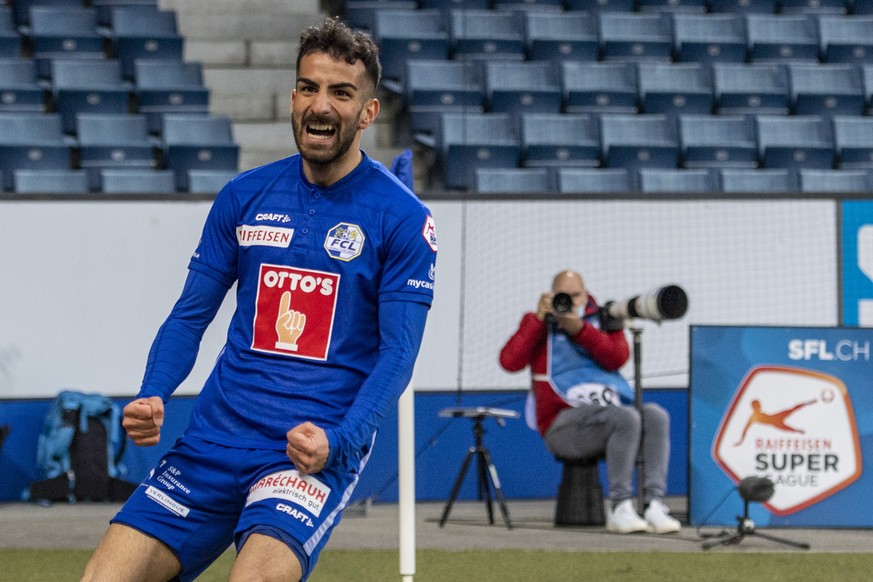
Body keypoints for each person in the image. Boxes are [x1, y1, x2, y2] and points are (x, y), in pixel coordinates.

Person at [81, 17, 437, 582]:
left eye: (341, 93)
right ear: (293, 97)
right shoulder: (243, 197)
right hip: (213, 440)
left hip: (306, 454)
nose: (321, 106)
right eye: (310, 88)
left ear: (368, 113)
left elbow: (399, 353)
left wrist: (339, 442)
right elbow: (189, 315)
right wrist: (153, 393)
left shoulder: (402, 218)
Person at [498, 270, 680, 535]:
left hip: (607, 416)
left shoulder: (605, 318)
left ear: (586, 295)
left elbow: (617, 358)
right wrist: (537, 320)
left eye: (576, 295)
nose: (571, 302)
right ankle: (620, 506)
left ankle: (653, 503)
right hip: (562, 425)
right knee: (626, 417)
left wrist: (580, 330)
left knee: (655, 415)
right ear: (551, 296)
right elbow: (509, 362)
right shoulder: (538, 323)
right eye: (564, 296)